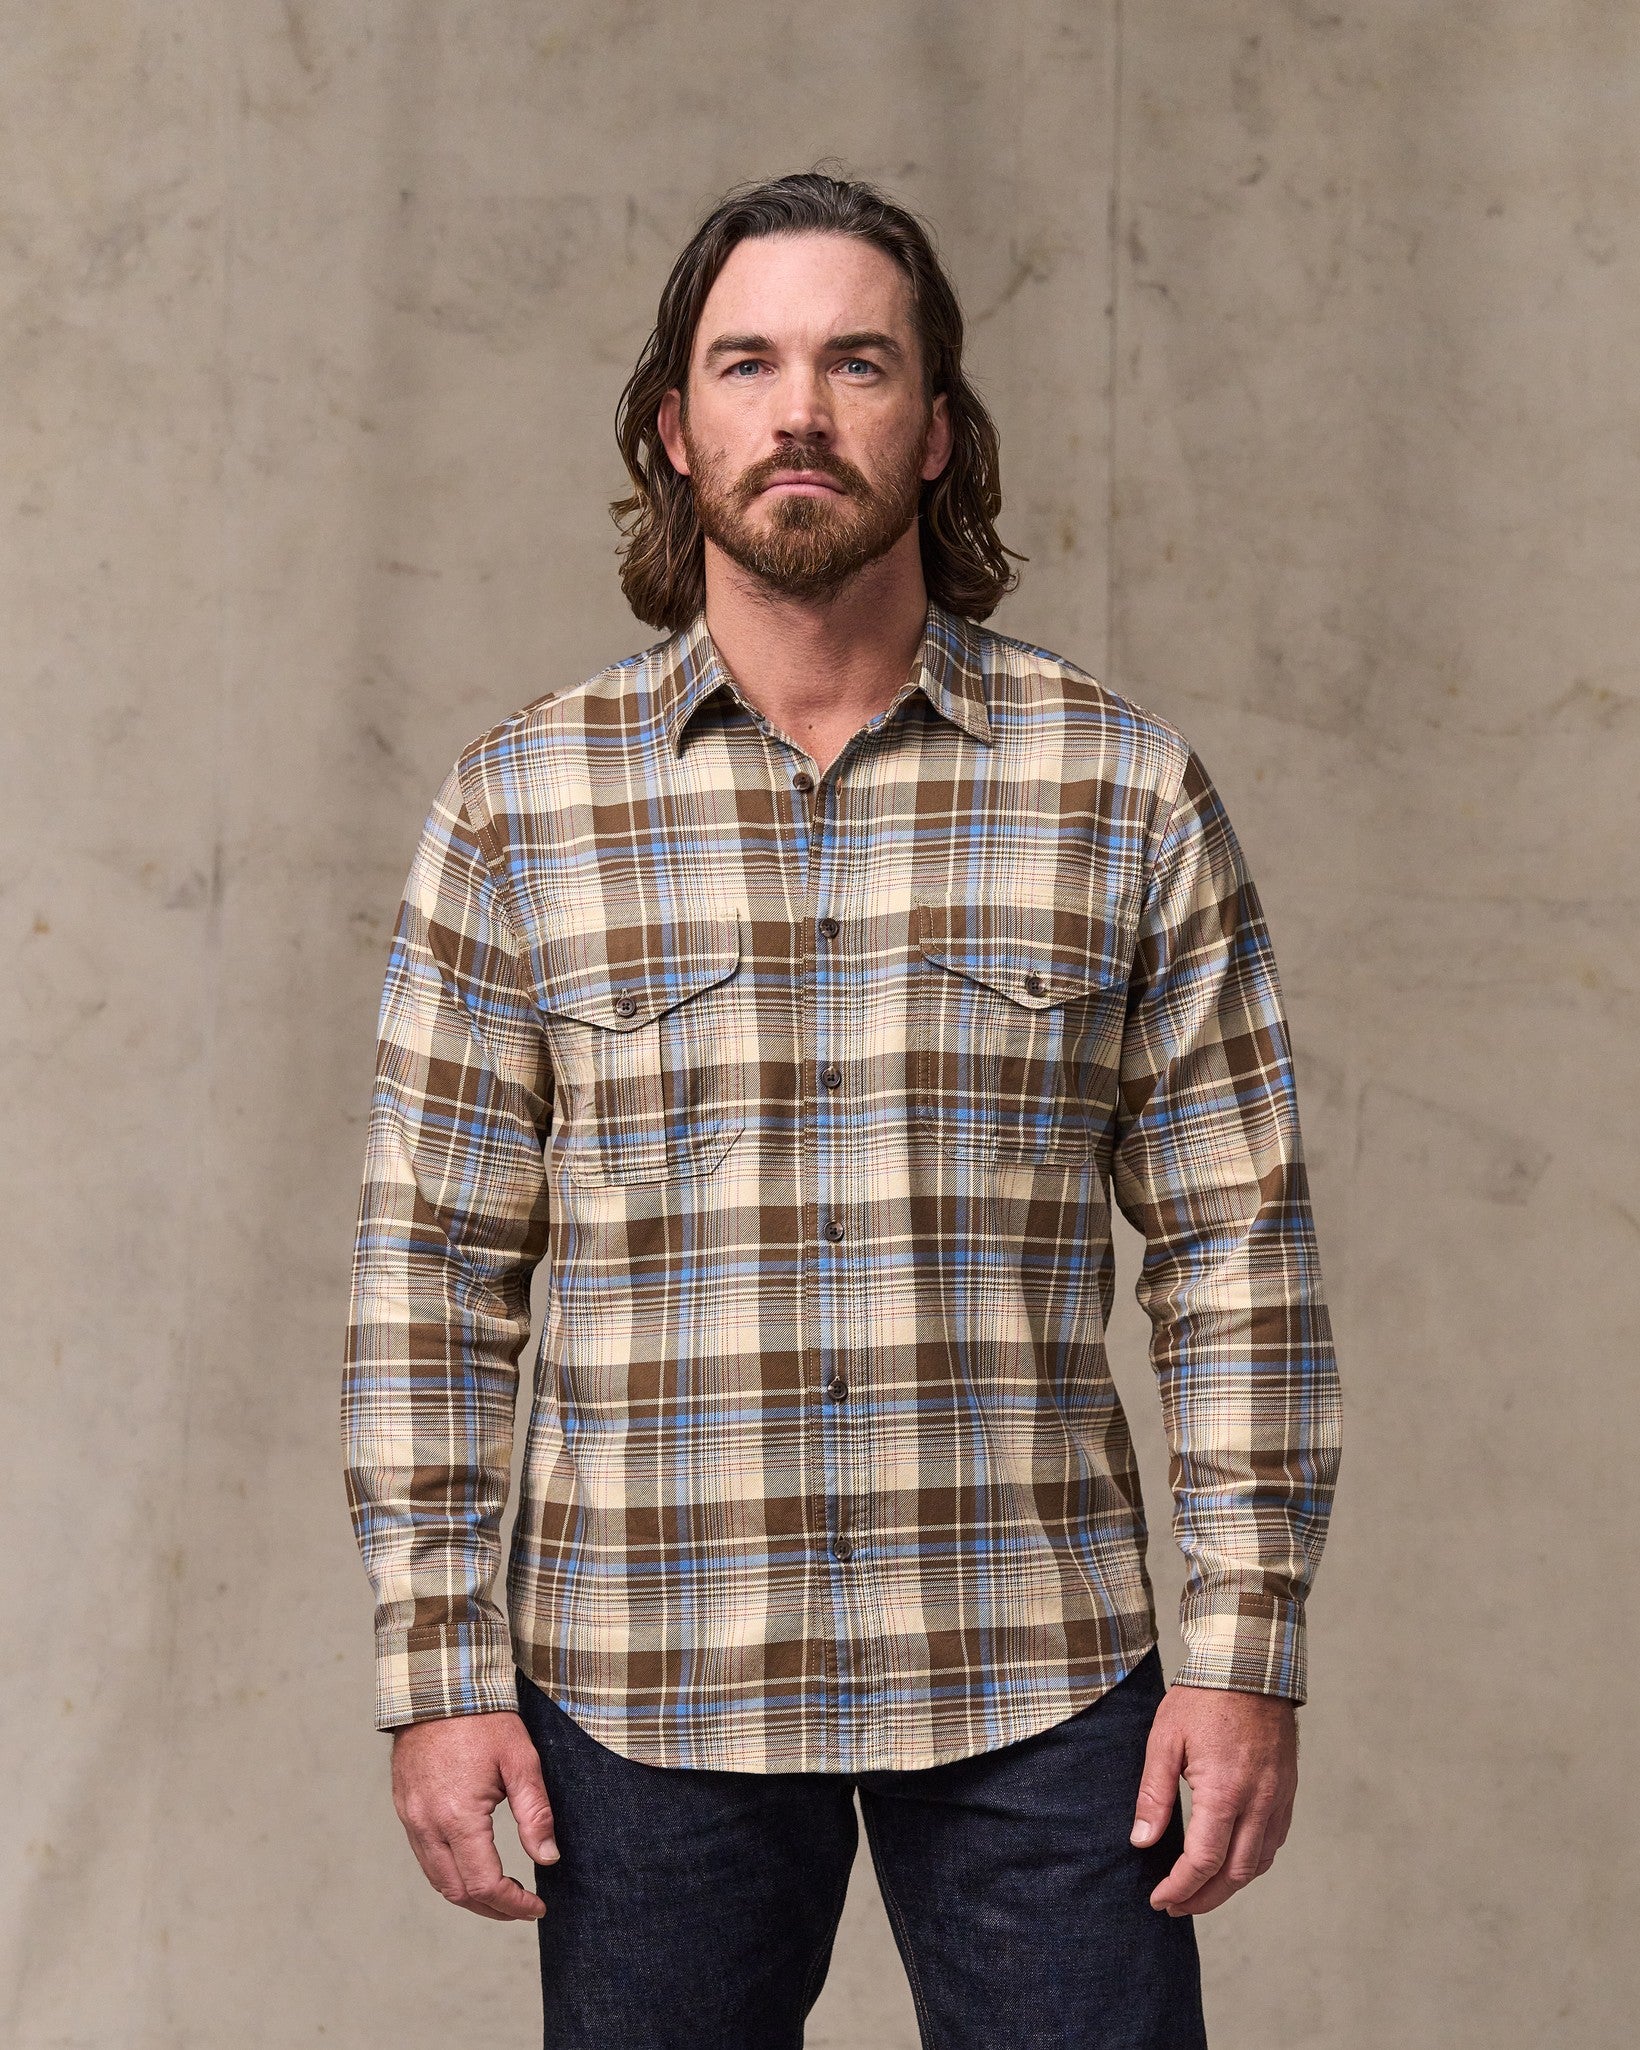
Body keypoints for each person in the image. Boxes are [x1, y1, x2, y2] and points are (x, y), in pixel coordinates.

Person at [343, 171, 1342, 2050]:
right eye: (748, 363)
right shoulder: (518, 811)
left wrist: (1245, 1646)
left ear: (937, 427)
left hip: (1039, 1668)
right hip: (643, 1683)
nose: (799, 409)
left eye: (856, 362)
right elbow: (434, 1271)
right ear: (676, 427)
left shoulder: (1121, 793)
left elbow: (1236, 1249)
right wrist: (438, 1668)